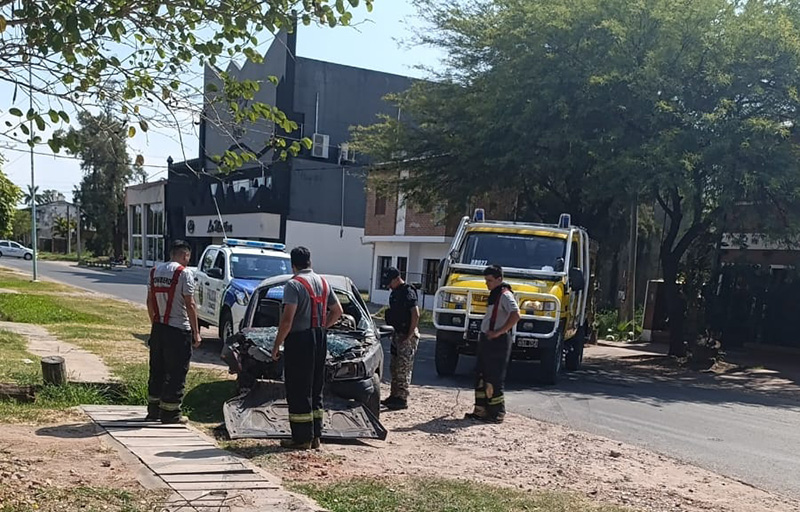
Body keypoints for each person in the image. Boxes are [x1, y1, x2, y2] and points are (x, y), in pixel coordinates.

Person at [272, 247, 343, 450]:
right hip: (319, 337)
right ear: (310, 261)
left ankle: (301, 438)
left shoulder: (293, 285)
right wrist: (321, 327)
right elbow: (337, 311)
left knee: (298, 388)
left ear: (293, 264)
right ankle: (315, 436)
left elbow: (287, 320)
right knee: (315, 386)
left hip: (299, 340)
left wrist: (276, 346)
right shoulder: (323, 282)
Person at [145, 240, 202, 424]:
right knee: (176, 372)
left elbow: (149, 302)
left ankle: (153, 410)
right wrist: (196, 332)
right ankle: (171, 414)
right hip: (178, 330)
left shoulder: (154, 271)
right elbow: (190, 304)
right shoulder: (184, 273)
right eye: (188, 257)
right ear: (185, 255)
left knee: (157, 370)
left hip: (158, 328)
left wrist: (156, 323)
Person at [465, 264, 520, 424]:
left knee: (494, 378)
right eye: (485, 280)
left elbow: (516, 314)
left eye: (489, 280)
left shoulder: (504, 295)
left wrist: (499, 332)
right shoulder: (495, 295)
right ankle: (481, 410)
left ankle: (497, 413)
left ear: (499, 279)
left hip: (498, 342)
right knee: (481, 375)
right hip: (487, 340)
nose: (487, 284)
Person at [381, 267, 420, 410]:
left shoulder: (407, 291)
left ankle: (401, 398)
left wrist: (409, 335)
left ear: (397, 278)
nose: (388, 286)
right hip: (397, 334)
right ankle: (394, 395)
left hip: (406, 335)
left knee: (403, 367)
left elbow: (415, 314)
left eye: (390, 282)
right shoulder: (396, 292)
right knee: (395, 366)